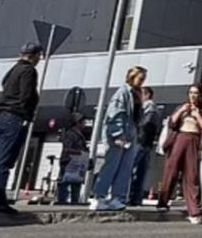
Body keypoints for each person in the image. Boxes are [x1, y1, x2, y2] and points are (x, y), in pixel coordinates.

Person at [0, 43, 43, 215]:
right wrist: (27, 114)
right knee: (6, 159)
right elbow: (27, 95)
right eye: (39, 55)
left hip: (3, 115)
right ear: (35, 55)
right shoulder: (28, 71)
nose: (40, 58)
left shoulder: (13, 70)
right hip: (15, 117)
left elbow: (4, 84)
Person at [91, 65, 146, 211]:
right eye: (140, 78)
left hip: (130, 133)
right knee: (112, 165)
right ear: (132, 77)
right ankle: (99, 196)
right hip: (121, 133)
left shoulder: (136, 93)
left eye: (143, 79)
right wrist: (118, 134)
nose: (142, 82)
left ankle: (118, 197)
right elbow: (116, 113)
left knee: (125, 168)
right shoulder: (123, 93)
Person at [158, 83, 202, 225]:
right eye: (190, 93)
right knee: (171, 170)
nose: (193, 96)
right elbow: (172, 123)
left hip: (193, 140)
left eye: (196, 93)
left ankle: (194, 211)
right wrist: (182, 110)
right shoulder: (182, 108)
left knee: (192, 175)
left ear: (200, 95)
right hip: (179, 139)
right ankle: (163, 202)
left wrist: (197, 116)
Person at [128, 86, 161, 206]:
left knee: (130, 168)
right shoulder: (155, 109)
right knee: (141, 172)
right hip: (147, 143)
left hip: (140, 142)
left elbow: (145, 125)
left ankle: (129, 195)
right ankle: (136, 197)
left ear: (146, 95)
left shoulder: (148, 107)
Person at [57, 113, 87, 204]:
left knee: (76, 184)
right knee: (65, 183)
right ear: (78, 123)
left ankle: (74, 202)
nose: (85, 124)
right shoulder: (70, 134)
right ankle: (62, 202)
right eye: (83, 122)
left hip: (76, 163)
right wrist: (80, 153)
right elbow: (67, 148)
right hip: (68, 162)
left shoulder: (80, 135)